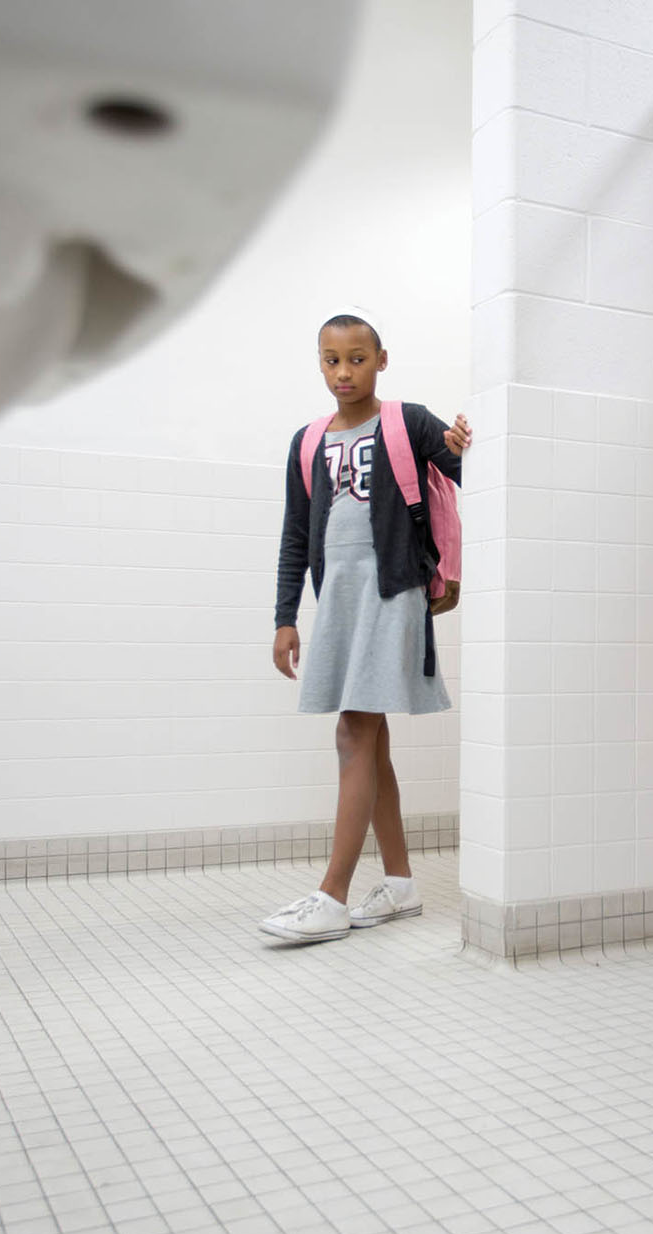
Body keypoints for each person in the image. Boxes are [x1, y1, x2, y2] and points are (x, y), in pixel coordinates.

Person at [263, 310, 471, 943]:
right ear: (319, 364)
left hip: (392, 591)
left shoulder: (407, 421)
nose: (344, 371)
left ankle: (332, 895)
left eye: (357, 358)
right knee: (370, 743)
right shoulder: (307, 440)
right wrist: (285, 617)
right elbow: (296, 534)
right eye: (332, 360)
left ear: (381, 360)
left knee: (353, 731)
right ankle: (402, 883)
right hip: (340, 602)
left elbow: (467, 476)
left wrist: (461, 449)